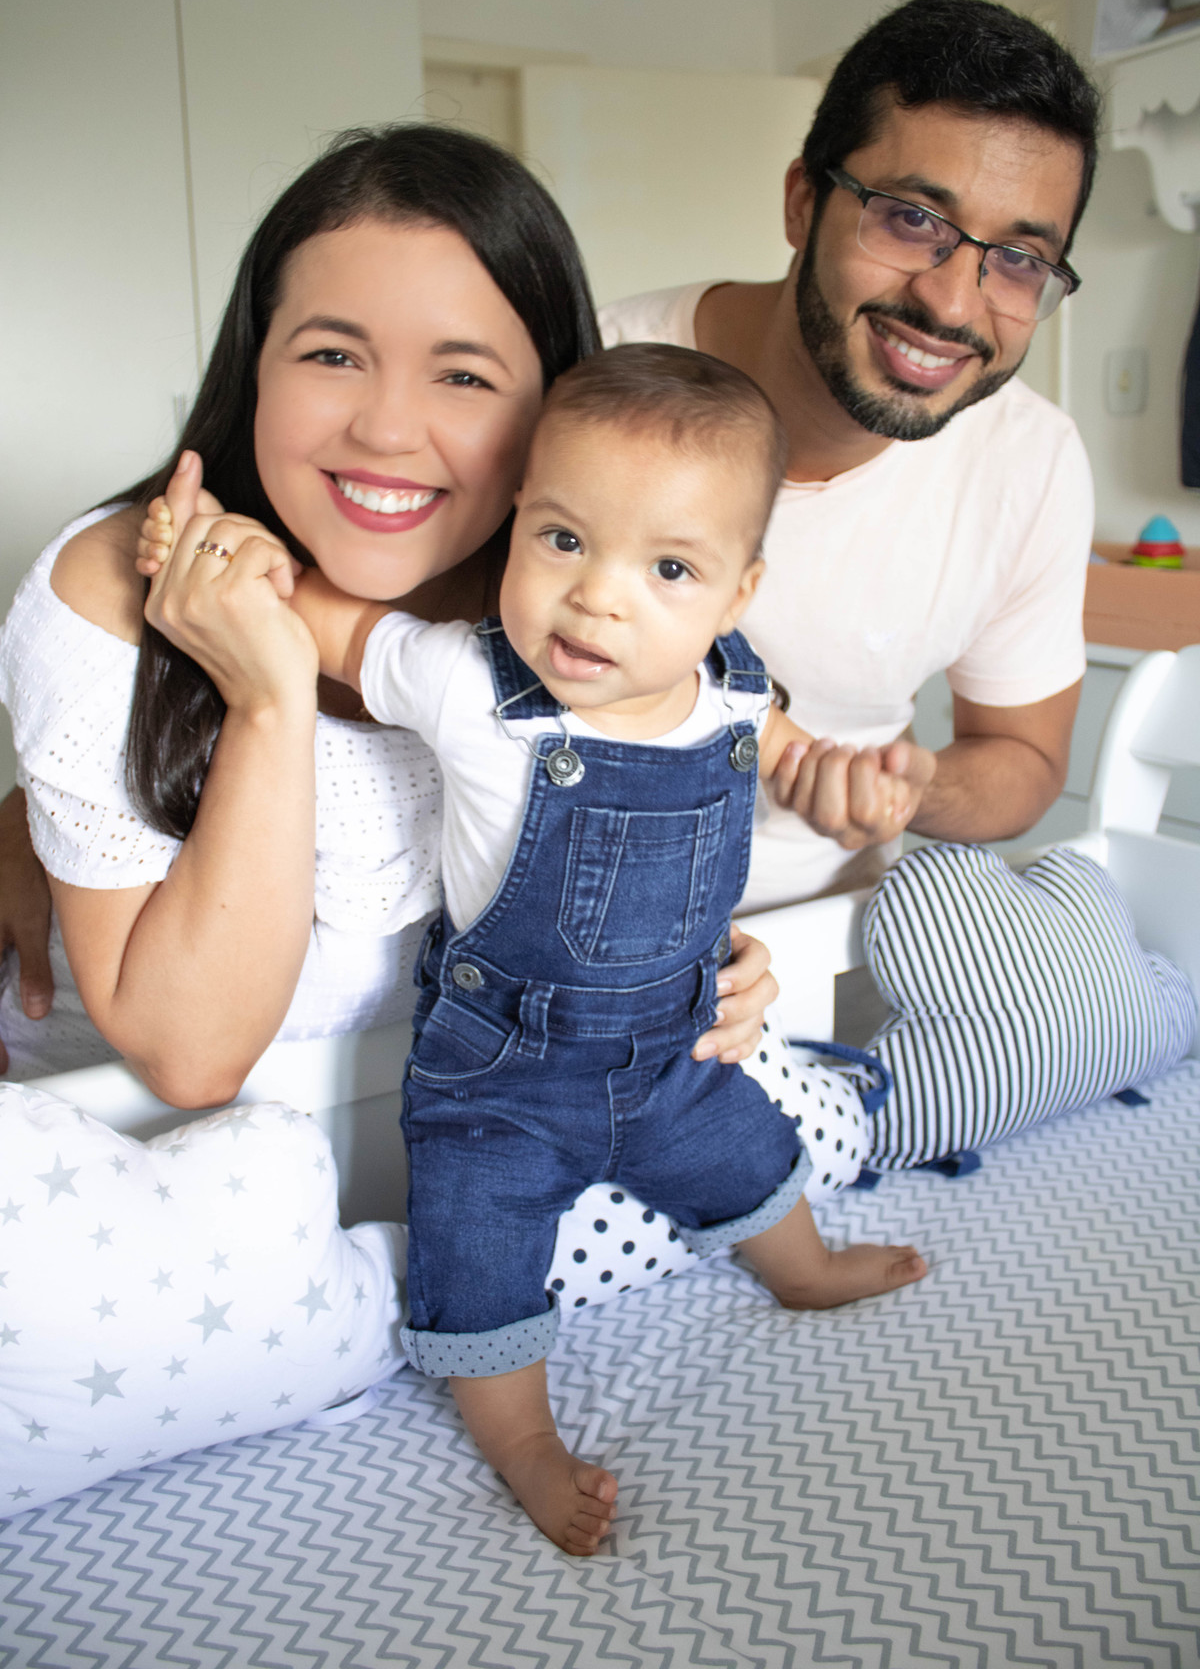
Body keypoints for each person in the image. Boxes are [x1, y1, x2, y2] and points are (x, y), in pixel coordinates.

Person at [138, 342, 927, 1554]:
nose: (597, 597)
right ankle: (522, 1441)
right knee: (478, 1255)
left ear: (738, 594)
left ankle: (803, 1271)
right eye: (562, 539)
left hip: (677, 1054)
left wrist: (847, 787)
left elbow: (799, 766)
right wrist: (220, 556)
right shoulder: (466, 683)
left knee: (751, 1152)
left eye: (669, 568)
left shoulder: (736, 693)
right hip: (501, 1079)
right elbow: (319, 622)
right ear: (515, 521)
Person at [0, 127, 774, 1243]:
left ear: (552, 406)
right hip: (118, 1212)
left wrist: (689, 965)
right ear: (254, 366)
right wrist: (268, 696)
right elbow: (191, 1057)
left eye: (463, 375)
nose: (386, 430)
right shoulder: (112, 583)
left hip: (420, 1208)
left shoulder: (579, 620)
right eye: (332, 355)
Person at [602, 0, 1101, 913]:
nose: (953, 305)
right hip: (560, 939)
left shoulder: (1030, 462)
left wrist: (911, 788)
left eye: (1020, 261)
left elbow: (1025, 758)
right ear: (804, 202)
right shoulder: (585, 378)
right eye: (911, 220)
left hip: (826, 942)